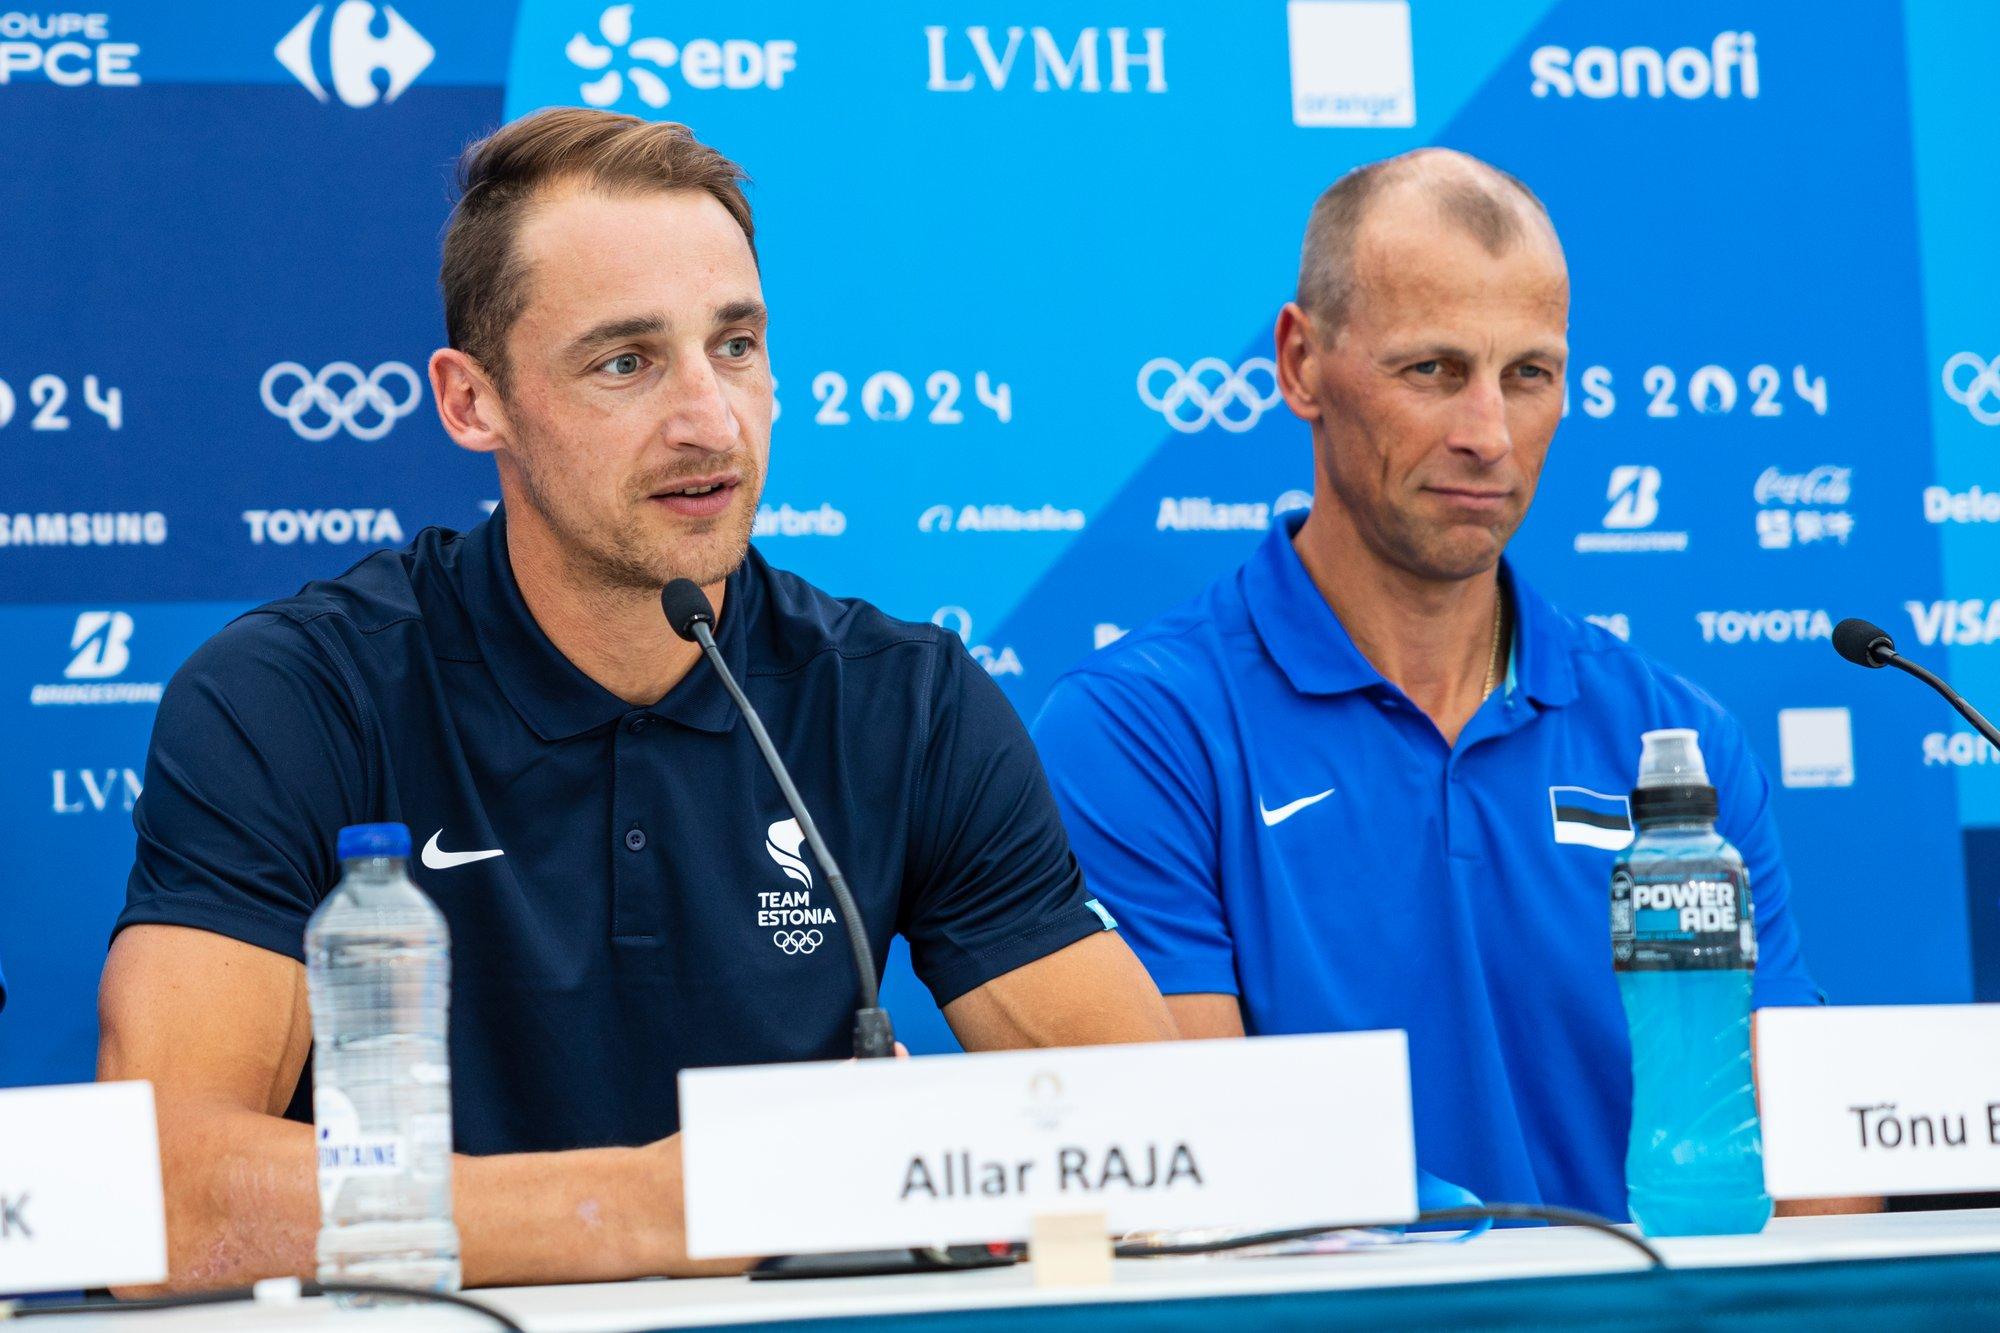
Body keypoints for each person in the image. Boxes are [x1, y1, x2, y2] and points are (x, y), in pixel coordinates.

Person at [99, 107, 1174, 1292]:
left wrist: (929, 1161)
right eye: (625, 362)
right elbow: (159, 1197)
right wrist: (656, 1209)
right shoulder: (293, 697)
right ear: (471, 402)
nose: (709, 421)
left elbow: (1159, 1144)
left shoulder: (905, 700)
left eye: (735, 345)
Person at [1032, 149, 1826, 1222]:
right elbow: (1189, 1184)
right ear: (1300, 363)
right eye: (1433, 370)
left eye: (1528, 374)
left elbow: (1810, 1175)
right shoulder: (1140, 730)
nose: (1487, 435)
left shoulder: (1676, 738)